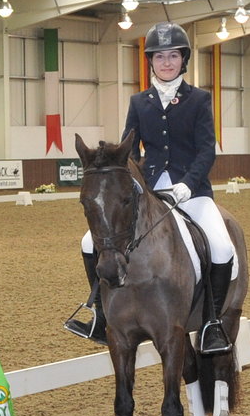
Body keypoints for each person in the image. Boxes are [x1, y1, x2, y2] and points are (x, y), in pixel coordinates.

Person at [66, 21, 236, 354]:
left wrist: (189, 184)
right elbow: (130, 149)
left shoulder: (199, 99)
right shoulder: (139, 102)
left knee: (221, 247)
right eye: (160, 57)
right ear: (152, 62)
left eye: (173, 56)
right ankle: (99, 313)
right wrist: (130, 180)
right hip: (150, 190)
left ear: (183, 60)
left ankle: (213, 323)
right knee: (89, 242)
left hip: (192, 193)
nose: (167, 62)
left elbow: (206, 149)